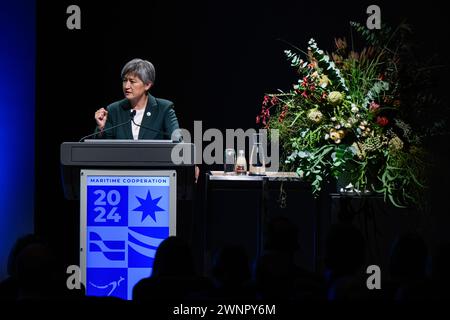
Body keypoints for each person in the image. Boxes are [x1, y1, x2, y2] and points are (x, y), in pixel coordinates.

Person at [94, 58, 180, 140]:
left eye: (132, 81)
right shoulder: (114, 110)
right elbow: (103, 149)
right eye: (124, 80)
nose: (126, 86)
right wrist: (101, 129)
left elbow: (178, 144)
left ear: (147, 85)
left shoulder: (163, 109)